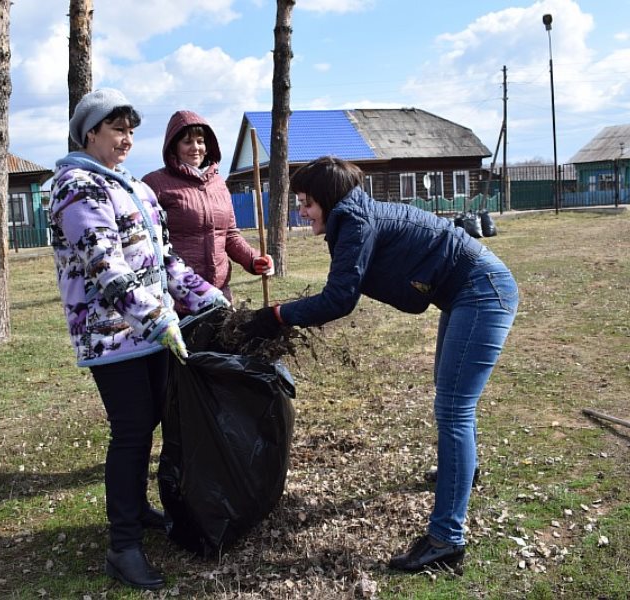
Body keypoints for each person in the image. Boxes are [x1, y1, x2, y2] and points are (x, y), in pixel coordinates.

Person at [239, 156, 519, 572]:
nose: (301, 211)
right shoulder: (352, 216)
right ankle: (462, 473)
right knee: (452, 400)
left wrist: (276, 316)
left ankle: (446, 541)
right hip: (466, 290)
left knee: (454, 408)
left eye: (307, 202)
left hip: (482, 292)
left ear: (329, 200)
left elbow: (339, 299)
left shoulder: (354, 222)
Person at [49, 88, 229, 591]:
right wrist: (157, 319)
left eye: (131, 130)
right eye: (116, 129)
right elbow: (106, 268)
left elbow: (164, 261)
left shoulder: (135, 188)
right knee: (131, 431)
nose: (127, 139)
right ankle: (122, 546)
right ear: (90, 134)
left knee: (152, 420)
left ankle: (136, 507)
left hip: (151, 331)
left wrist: (204, 296)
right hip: (112, 337)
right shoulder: (77, 188)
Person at [142, 110, 272, 311]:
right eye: (187, 142)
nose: (196, 147)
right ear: (173, 146)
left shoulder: (218, 184)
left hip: (219, 295)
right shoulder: (155, 184)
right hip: (178, 301)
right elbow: (146, 244)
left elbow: (230, 236)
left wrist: (254, 259)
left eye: (200, 141)